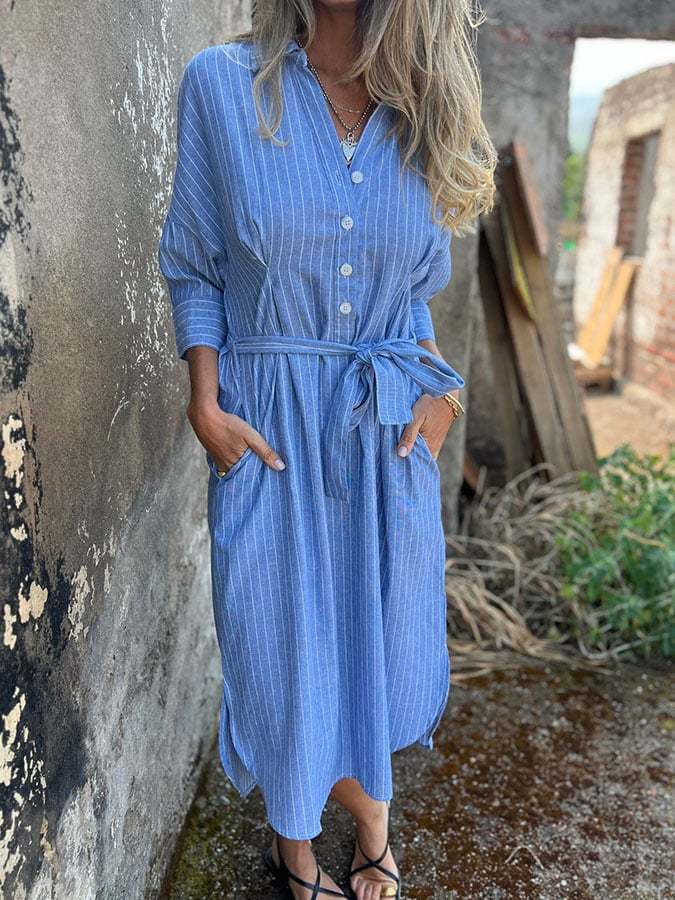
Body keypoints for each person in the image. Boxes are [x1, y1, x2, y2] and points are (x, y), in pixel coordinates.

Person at [158, 1, 496, 897]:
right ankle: (294, 843)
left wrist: (442, 392)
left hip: (384, 424)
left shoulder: (427, 106)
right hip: (267, 427)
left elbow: (411, 288)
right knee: (279, 647)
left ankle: (373, 822)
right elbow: (194, 262)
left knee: (383, 643)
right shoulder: (222, 87)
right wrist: (204, 403)